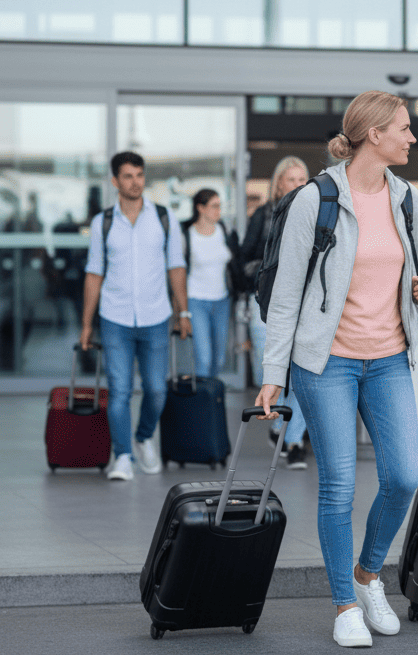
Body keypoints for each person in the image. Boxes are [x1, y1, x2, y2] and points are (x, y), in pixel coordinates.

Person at [254, 90, 418, 648]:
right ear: (373, 134)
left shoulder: (406, 197)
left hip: (388, 358)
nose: (412, 137)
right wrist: (273, 374)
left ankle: (367, 576)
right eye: (403, 128)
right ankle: (342, 605)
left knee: (404, 477)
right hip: (327, 361)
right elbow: (286, 296)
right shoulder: (317, 199)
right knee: (337, 486)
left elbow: (412, 272)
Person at [80, 151, 191, 481]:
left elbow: (176, 267)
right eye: (128, 176)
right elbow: (94, 274)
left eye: (139, 175)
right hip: (115, 318)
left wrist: (182, 311)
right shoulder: (104, 222)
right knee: (120, 390)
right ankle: (123, 456)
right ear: (115, 181)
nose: (135, 182)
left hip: (156, 317)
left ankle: (143, 437)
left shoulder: (163, 217)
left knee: (157, 390)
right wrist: (86, 324)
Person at [238, 155, 311, 468]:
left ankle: (292, 440)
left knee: (303, 376)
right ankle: (282, 426)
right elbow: (243, 260)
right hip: (269, 302)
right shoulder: (265, 215)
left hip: (306, 304)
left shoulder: (316, 213)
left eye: (301, 180)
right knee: (275, 373)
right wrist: (270, 272)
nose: (297, 185)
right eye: (291, 180)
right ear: (278, 183)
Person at [182, 188, 238, 378]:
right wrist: (179, 310)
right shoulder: (188, 235)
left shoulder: (224, 230)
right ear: (201, 208)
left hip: (222, 301)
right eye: (214, 206)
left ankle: (210, 400)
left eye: (219, 206)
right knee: (203, 358)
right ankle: (201, 403)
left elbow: (235, 262)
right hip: (196, 301)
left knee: (219, 358)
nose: (218, 211)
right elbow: (179, 273)